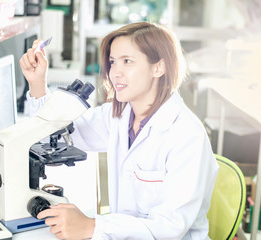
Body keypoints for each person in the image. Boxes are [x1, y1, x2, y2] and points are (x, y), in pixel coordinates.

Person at [19, 21, 219, 240]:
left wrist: (92, 227)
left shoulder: (187, 136)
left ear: (158, 67)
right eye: (113, 62)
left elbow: (169, 227)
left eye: (127, 61)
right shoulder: (119, 115)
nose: (115, 73)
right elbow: (65, 132)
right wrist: (37, 82)